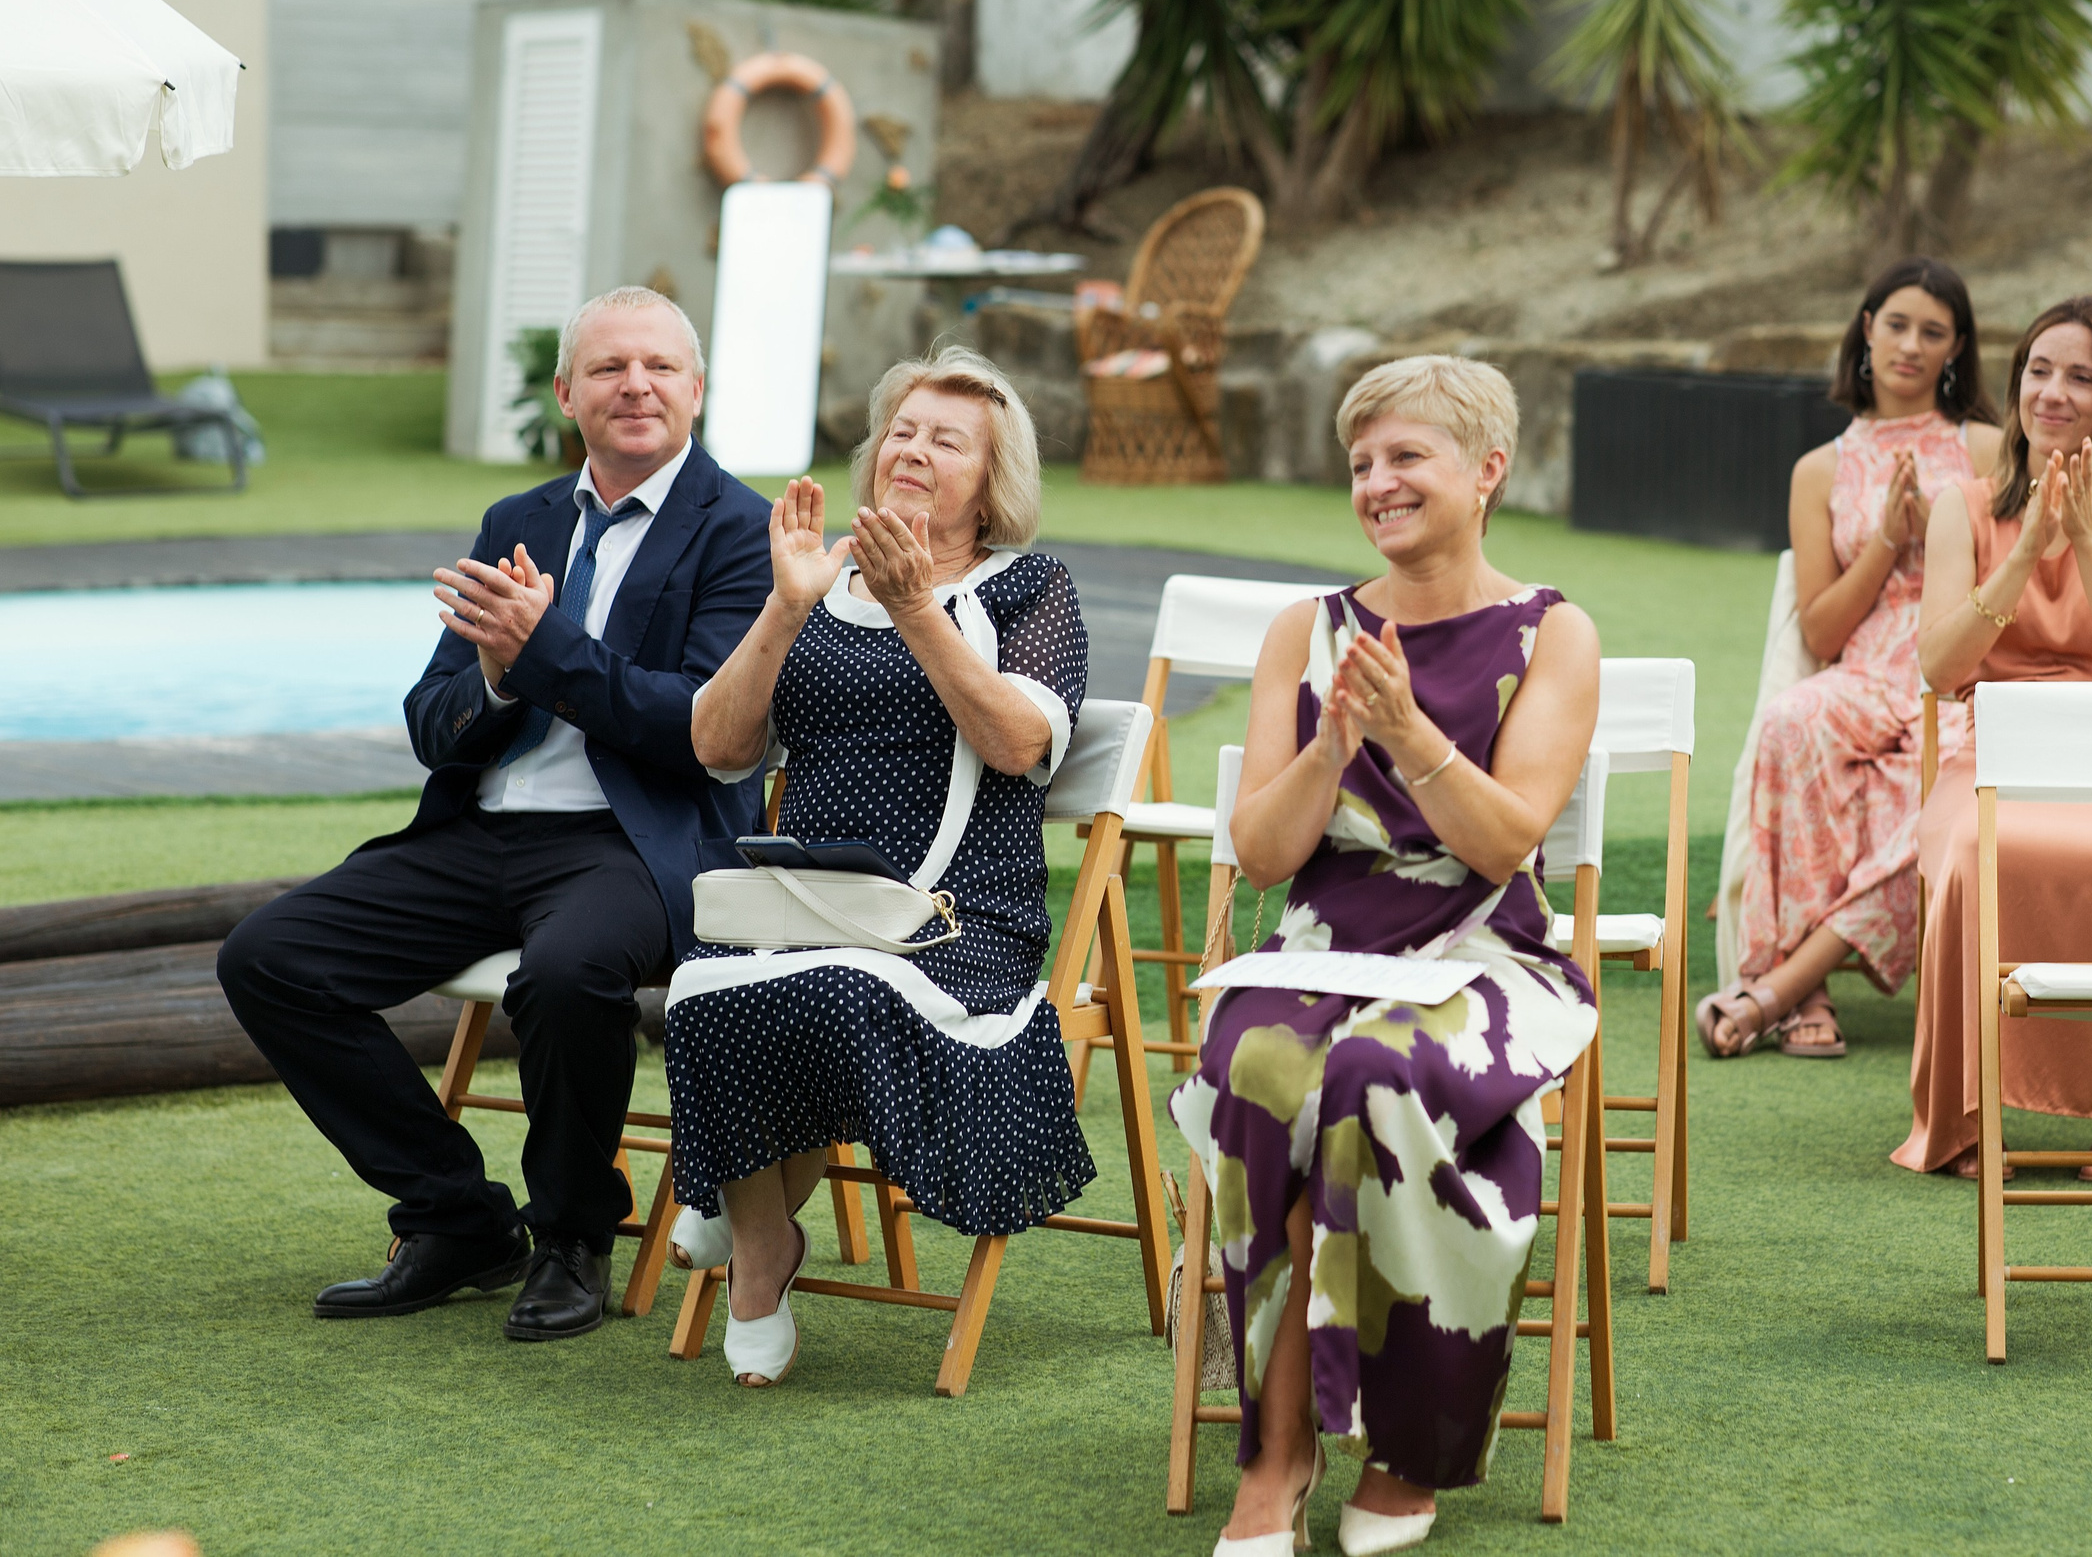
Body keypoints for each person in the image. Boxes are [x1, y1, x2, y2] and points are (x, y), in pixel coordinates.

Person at [219, 287, 773, 1339]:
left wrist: (545, 652)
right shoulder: (518, 522)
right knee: (269, 955)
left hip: (633, 845)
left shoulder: (741, 534)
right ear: (567, 393)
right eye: (608, 368)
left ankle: (572, 1236)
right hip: (483, 832)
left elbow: (700, 725)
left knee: (564, 975)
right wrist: (498, 680)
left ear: (696, 389)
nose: (636, 386)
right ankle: (457, 1217)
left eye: (659, 366)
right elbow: (434, 721)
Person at [1170, 356, 1600, 1557]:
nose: (1378, 483)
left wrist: (1409, 737)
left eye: (1406, 457)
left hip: (1480, 955)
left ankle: (1408, 1445)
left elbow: (1505, 840)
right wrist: (1330, 746)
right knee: (1258, 1070)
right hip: (1317, 944)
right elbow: (1260, 855)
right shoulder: (1304, 631)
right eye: (1362, 464)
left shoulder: (1552, 633)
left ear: (1486, 471)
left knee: (1373, 1081)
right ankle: (1277, 1450)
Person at [666, 346, 1093, 1388]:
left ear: (992, 484)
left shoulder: (1030, 588)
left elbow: (1014, 745)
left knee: (833, 989)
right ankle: (765, 1241)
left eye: (946, 440)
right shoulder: (817, 582)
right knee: (700, 987)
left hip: (958, 921)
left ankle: (747, 1233)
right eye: (901, 430)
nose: (913, 449)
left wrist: (916, 611)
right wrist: (785, 604)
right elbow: (717, 747)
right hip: (803, 903)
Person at [1894, 296, 2092, 1182]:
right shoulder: (1962, 507)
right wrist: (2024, 549)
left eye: (2080, 377)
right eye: (2038, 370)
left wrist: (2085, 542)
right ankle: (1961, 1110)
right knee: (1967, 855)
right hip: (1995, 750)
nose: (2053, 393)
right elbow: (1940, 667)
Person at [1701, 257, 2001, 1059]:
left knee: (1949, 786)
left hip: (1960, 674)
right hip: (1865, 672)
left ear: (1957, 349)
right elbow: (1824, 633)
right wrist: (1887, 544)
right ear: (1867, 329)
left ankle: (1781, 985)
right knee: (1790, 723)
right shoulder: (1820, 469)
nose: (1910, 344)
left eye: (1932, 332)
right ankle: (1811, 998)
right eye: (1896, 324)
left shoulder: (1987, 450)